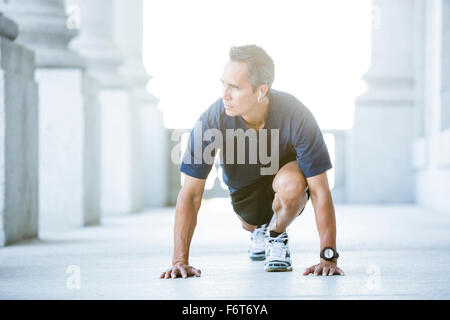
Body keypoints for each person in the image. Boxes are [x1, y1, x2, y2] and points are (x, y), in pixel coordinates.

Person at [160, 44, 344, 279]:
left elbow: (319, 190)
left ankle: (276, 234)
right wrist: (179, 261)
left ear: (261, 90)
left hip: (286, 184)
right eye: (223, 84)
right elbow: (191, 194)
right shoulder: (211, 120)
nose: (225, 94)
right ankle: (259, 230)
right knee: (251, 222)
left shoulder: (296, 114)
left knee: (291, 186)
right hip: (245, 196)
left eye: (234, 87)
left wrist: (328, 257)